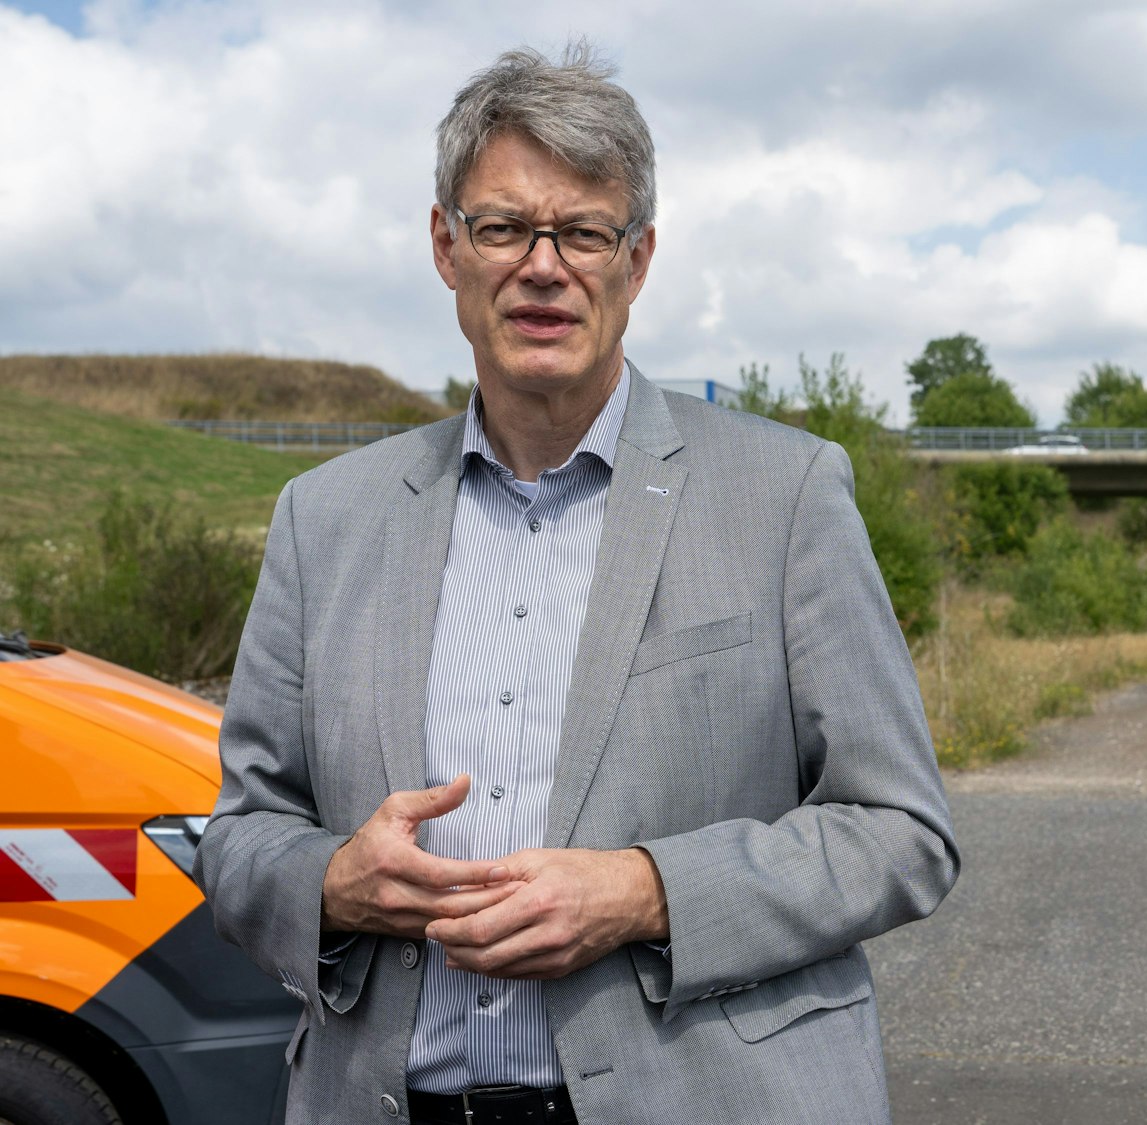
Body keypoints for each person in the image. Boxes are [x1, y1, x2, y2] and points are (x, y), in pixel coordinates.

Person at [195, 42, 958, 1125]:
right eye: (503, 226)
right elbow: (240, 836)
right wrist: (328, 886)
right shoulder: (325, 517)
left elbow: (901, 835)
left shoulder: (785, 494)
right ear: (444, 246)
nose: (542, 266)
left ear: (636, 261)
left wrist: (645, 894)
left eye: (584, 232)